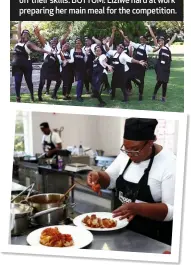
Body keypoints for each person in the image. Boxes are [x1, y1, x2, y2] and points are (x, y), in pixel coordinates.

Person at [87, 118, 175, 245]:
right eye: (126, 148)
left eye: (135, 149)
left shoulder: (170, 164)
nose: (129, 154)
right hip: (120, 233)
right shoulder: (126, 154)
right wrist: (98, 176)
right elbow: (110, 179)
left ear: (150, 142)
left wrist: (138, 208)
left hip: (153, 240)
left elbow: (172, 211)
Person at [12, 21, 50, 103]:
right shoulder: (18, 41)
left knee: (29, 81)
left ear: (28, 36)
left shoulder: (28, 43)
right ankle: (18, 98)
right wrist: (19, 22)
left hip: (26, 65)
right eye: (24, 33)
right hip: (16, 66)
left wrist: (46, 51)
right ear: (21, 35)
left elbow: (37, 48)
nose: (25, 34)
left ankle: (32, 96)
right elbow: (18, 30)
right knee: (17, 81)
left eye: (27, 33)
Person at [119, 24, 159, 101]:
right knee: (129, 76)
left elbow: (154, 50)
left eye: (142, 39)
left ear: (145, 40)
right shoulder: (137, 46)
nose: (141, 40)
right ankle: (137, 83)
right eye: (140, 39)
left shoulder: (147, 47)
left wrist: (159, 47)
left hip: (142, 66)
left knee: (142, 80)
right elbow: (128, 41)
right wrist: (122, 34)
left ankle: (140, 94)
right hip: (136, 65)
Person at [152, 33, 177, 102]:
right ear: (158, 41)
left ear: (164, 41)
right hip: (160, 68)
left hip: (166, 68)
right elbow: (153, 51)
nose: (161, 41)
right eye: (160, 40)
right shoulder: (157, 47)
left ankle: (163, 97)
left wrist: (175, 34)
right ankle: (154, 94)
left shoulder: (167, 46)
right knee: (159, 82)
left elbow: (172, 40)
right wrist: (158, 47)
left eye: (162, 40)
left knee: (165, 83)